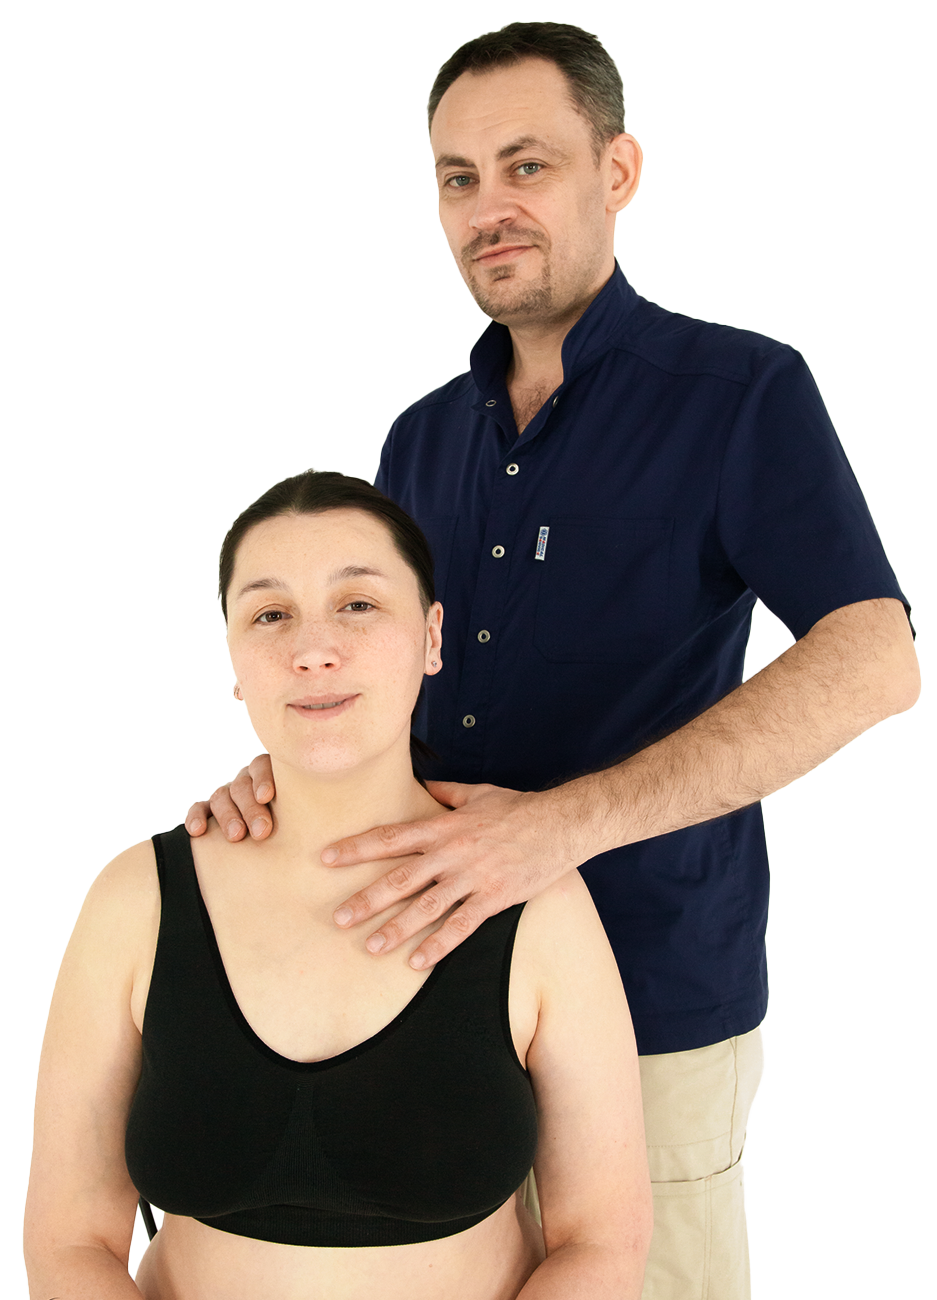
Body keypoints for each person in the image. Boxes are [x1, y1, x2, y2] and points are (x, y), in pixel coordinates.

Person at [185, 22, 920, 1300]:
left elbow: (875, 659)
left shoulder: (739, 391)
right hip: (432, 988)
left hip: (649, 998)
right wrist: (288, 769)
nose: (489, 207)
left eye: (526, 165)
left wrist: (556, 829)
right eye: (457, 177)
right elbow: (389, 670)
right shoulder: (420, 438)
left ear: (615, 171)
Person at [23, 468, 652, 1300]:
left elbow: (600, 1242)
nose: (312, 648)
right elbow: (69, 1243)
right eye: (269, 614)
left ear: (432, 637)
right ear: (235, 662)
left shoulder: (534, 902)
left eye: (357, 604)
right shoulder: (136, 898)